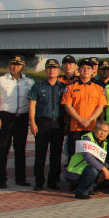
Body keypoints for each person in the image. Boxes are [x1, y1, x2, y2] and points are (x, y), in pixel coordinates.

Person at [0, 55, 35, 189]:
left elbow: (33, 101)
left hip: (21, 118)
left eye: (19, 65)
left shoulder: (29, 82)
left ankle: (20, 178)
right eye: (13, 64)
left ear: (23, 66)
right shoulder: (1, 80)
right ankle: (1, 179)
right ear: (9, 66)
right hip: (5, 117)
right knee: (2, 149)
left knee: (20, 150)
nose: (16, 67)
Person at [27, 58, 66, 190]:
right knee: (40, 154)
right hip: (42, 122)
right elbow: (32, 105)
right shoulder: (38, 86)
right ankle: (39, 182)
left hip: (58, 124)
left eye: (54, 68)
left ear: (58, 70)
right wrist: (32, 122)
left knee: (56, 155)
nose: (52, 70)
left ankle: (53, 181)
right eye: (49, 68)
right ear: (45, 70)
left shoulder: (63, 87)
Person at [62, 58, 108, 159]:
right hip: (75, 127)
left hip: (92, 127)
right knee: (74, 155)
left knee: (90, 157)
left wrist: (90, 119)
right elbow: (67, 106)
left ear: (92, 71)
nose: (86, 70)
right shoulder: (70, 87)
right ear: (78, 70)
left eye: (88, 68)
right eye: (83, 68)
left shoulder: (98, 88)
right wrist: (80, 120)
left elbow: (100, 107)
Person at [65, 119, 109, 199]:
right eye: (100, 130)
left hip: (85, 171)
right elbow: (88, 158)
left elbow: (103, 159)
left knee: (106, 167)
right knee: (93, 170)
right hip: (75, 172)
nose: (102, 133)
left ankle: (89, 187)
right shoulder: (87, 138)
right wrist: (104, 169)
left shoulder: (105, 142)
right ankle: (81, 192)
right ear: (95, 129)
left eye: (105, 131)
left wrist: (104, 169)